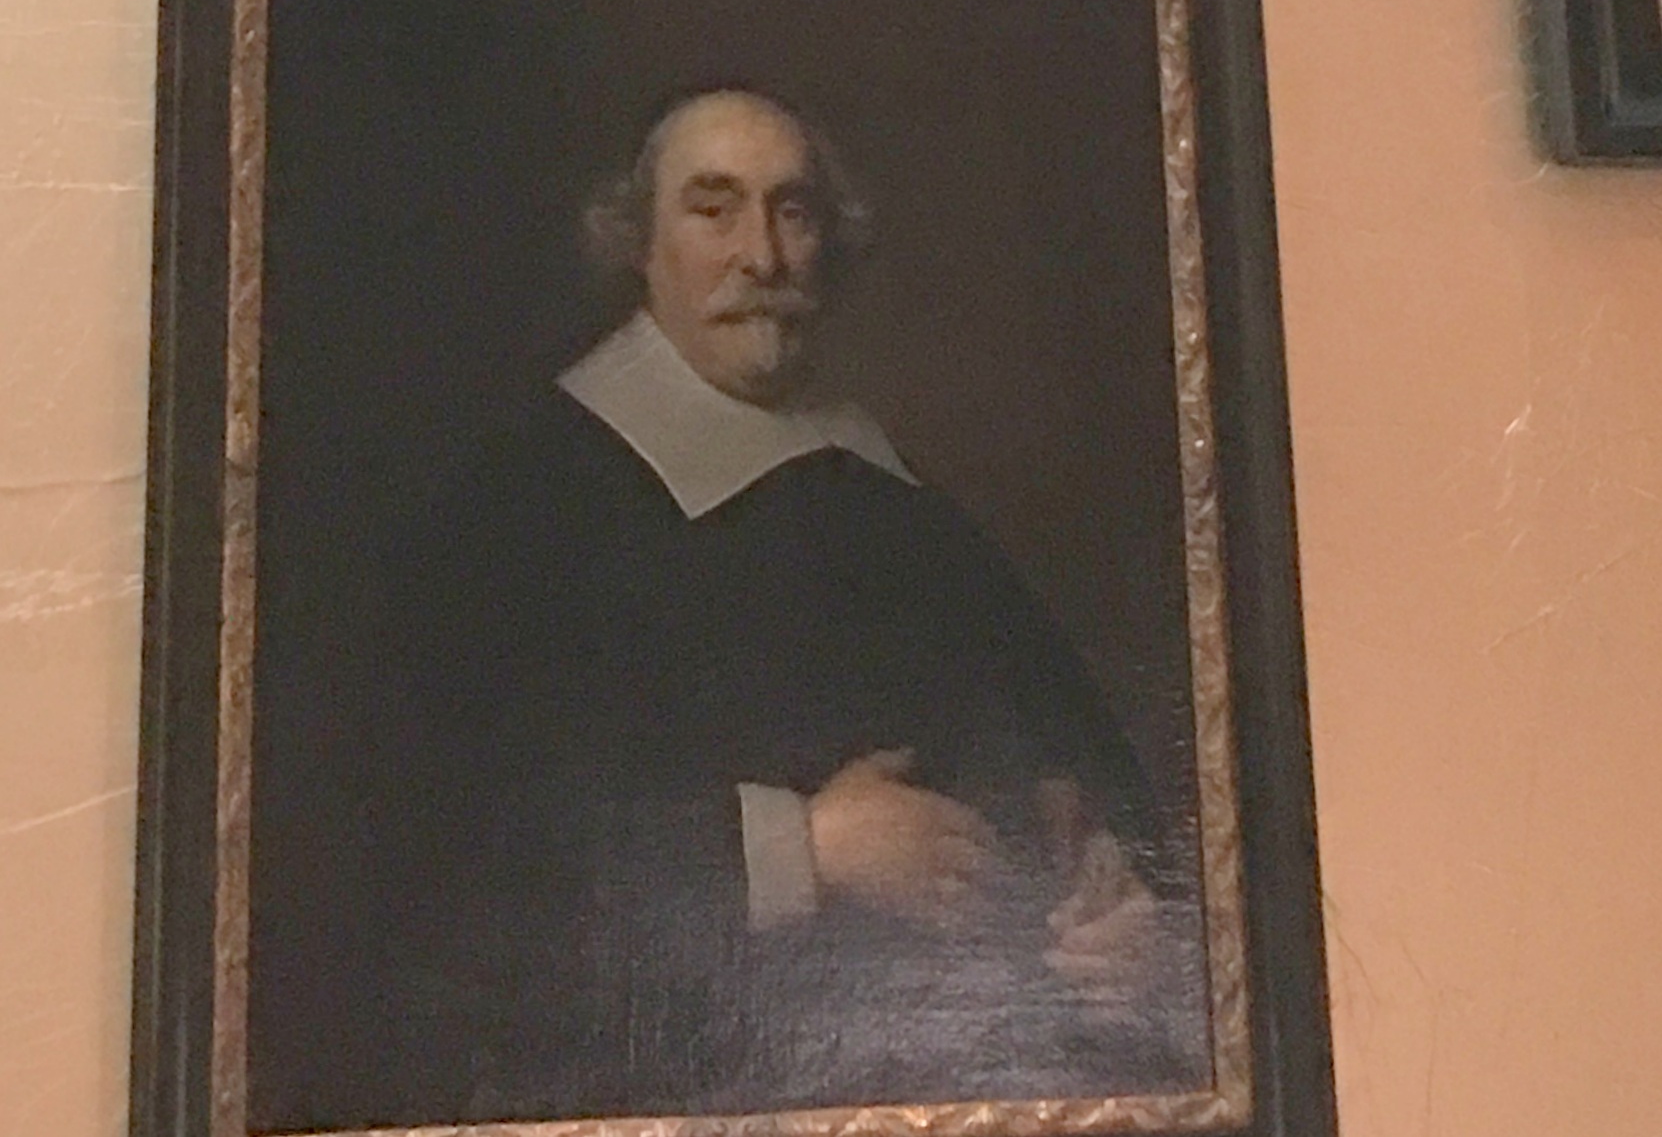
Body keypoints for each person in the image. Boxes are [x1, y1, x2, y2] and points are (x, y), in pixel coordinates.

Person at [381, 88, 1201, 1119]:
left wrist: (1126, 912)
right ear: (639, 244)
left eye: (794, 212)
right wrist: (805, 848)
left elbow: (1076, 770)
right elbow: (465, 863)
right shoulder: (524, 506)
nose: (762, 256)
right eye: (713, 209)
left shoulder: (899, 501)